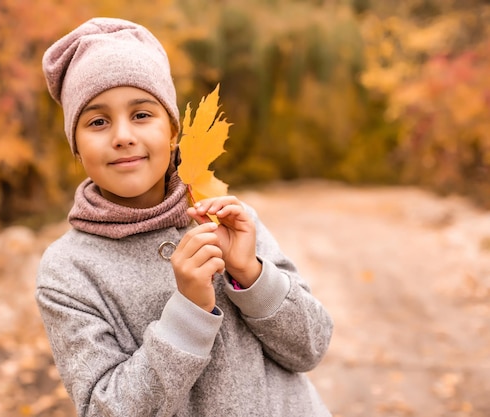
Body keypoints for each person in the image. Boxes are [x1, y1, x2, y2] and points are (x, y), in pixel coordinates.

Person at [36, 17, 333, 417]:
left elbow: (311, 348)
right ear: (76, 145)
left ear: (173, 129)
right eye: (97, 121)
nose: (122, 135)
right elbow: (105, 409)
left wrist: (252, 273)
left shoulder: (226, 217)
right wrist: (188, 314)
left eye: (142, 114)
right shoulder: (68, 271)